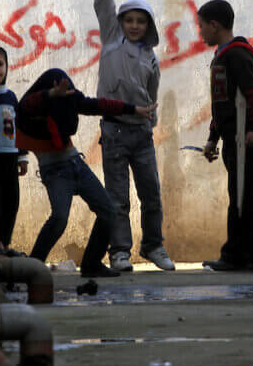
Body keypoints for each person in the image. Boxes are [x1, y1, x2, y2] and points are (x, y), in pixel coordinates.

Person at [16, 68, 156, 278]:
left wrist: (135, 110)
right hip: (54, 171)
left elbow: (99, 105)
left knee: (108, 211)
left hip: (75, 164)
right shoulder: (30, 109)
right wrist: (51, 95)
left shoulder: (71, 99)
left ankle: (91, 263)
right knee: (60, 218)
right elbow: (29, 103)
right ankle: (32, 268)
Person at [90, 0, 174, 273]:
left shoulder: (151, 58)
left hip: (141, 135)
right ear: (121, 23)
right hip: (113, 132)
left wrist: (149, 127)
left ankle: (153, 246)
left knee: (151, 194)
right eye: (129, 20)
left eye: (141, 21)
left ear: (149, 25)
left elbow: (152, 95)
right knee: (117, 197)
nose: (135, 26)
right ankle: (120, 251)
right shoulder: (112, 40)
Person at [196, 0, 253, 271]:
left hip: (246, 138)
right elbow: (223, 102)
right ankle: (247, 255)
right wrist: (213, 138)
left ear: (214, 25)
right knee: (241, 196)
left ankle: (237, 256)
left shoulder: (237, 54)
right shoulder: (224, 54)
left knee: (243, 197)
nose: (200, 32)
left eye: (202, 26)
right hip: (233, 137)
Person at [0, 45, 29, 257]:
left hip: (10, 157)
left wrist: (22, 156)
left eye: (0, 64)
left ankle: (5, 243)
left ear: (7, 66)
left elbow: (19, 128)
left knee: (11, 200)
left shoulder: (11, 97)